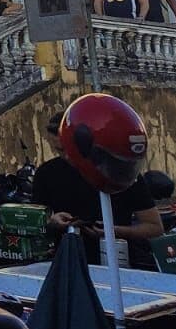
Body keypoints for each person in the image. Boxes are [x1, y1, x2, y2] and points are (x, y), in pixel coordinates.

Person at [32, 111, 161, 270]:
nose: (67, 156)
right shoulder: (46, 173)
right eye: (59, 150)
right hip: (68, 266)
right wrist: (52, 221)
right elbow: (34, 222)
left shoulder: (120, 171)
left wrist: (113, 231)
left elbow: (154, 228)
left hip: (118, 265)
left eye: (69, 148)